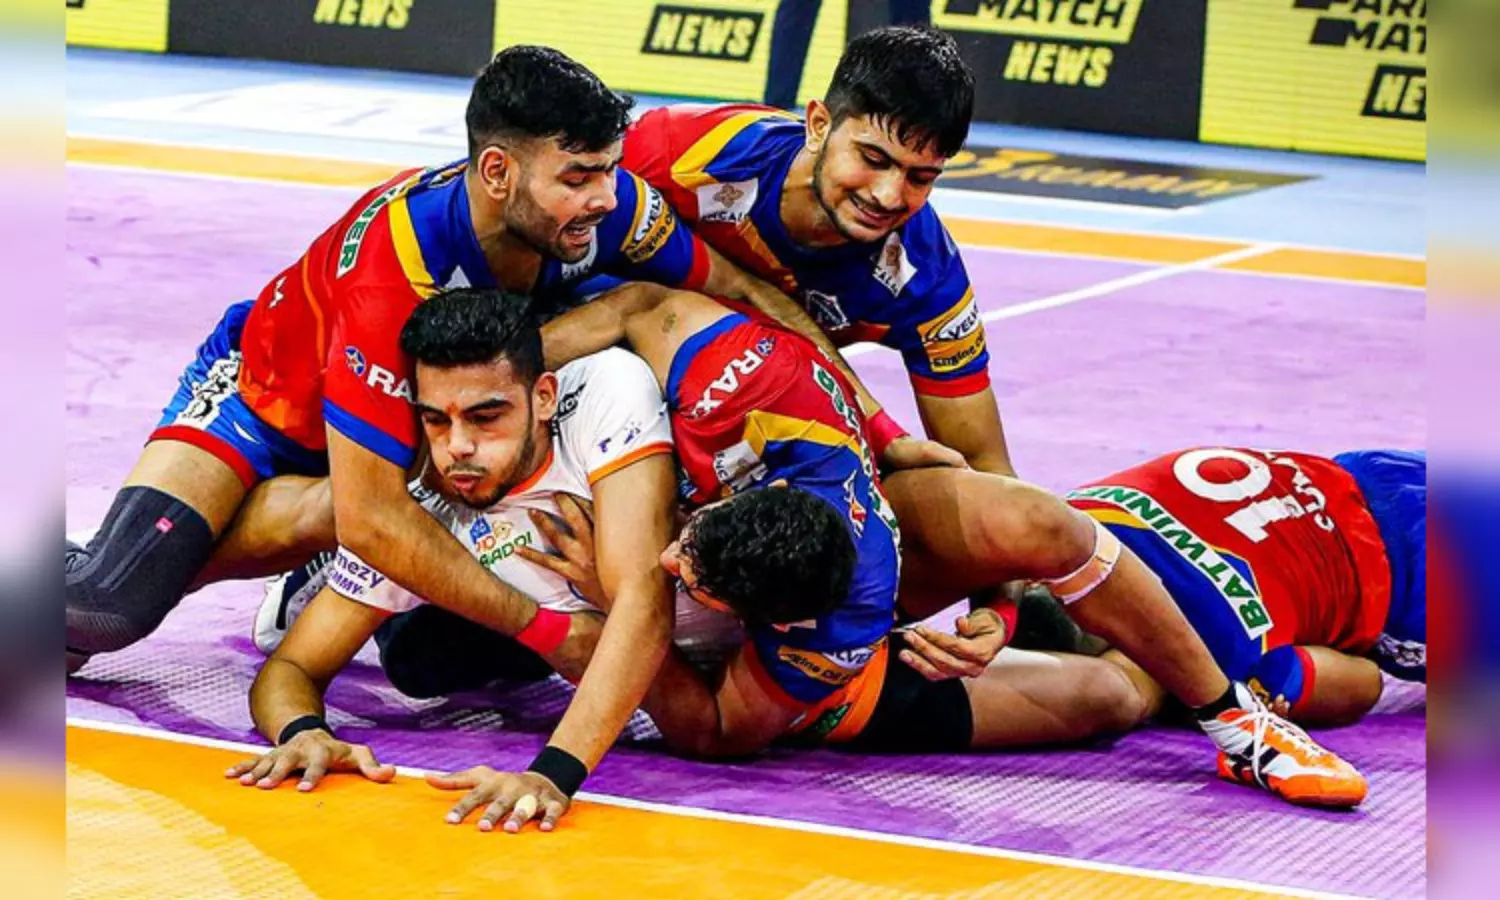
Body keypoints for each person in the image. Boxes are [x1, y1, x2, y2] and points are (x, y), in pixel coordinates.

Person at [66, 45, 854, 792]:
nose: (608, 197)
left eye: (611, 170)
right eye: (580, 176)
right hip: (265, 401)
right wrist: (547, 629)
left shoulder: (596, 213)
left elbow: (739, 291)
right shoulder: (393, 272)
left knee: (410, 581)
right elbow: (374, 522)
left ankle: (227, 565)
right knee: (110, 605)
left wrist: (872, 424)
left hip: (409, 429)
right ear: (499, 172)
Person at [622, 26, 1015, 476]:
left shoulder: (927, 276)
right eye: (873, 159)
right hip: (618, 374)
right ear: (818, 126)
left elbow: (983, 464)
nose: (889, 196)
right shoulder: (686, 150)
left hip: (761, 430)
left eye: (920, 178)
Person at [1047, 447, 1427, 733]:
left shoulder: (1224, 652)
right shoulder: (1064, 519)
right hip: (1355, 474)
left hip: (1408, 578)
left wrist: (1206, 700)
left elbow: (1365, 681)